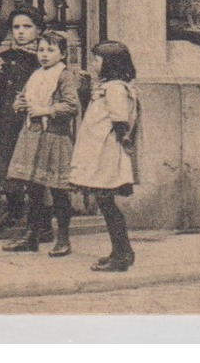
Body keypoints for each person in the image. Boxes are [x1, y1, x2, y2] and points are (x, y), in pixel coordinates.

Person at [2, 29, 81, 257]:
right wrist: (20, 103)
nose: (44, 55)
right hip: (33, 135)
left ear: (63, 53)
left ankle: (63, 239)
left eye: (51, 50)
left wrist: (46, 109)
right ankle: (32, 236)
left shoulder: (65, 76)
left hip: (54, 138)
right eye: (41, 50)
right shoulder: (36, 74)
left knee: (58, 191)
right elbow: (26, 96)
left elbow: (72, 106)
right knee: (33, 188)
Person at [68, 40, 141, 272]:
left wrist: (119, 149)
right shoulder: (108, 86)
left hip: (106, 152)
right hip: (101, 150)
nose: (93, 64)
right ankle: (120, 251)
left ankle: (122, 254)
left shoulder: (116, 88)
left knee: (107, 204)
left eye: (97, 60)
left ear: (110, 63)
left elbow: (120, 119)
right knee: (105, 203)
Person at [0, 6, 46, 235]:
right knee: (6, 165)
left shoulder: (43, 58)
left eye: (27, 27)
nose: (20, 32)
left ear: (38, 30)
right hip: (7, 120)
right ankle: (14, 209)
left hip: (32, 121)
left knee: (33, 169)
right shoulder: (5, 58)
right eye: (16, 27)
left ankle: (39, 222)